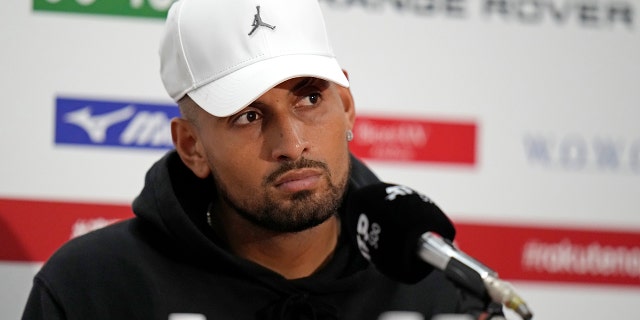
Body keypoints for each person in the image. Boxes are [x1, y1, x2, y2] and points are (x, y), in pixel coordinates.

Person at [22, 0, 500, 319]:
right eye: (248, 115)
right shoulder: (92, 289)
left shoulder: (441, 284)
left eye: (310, 99)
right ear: (192, 147)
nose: (292, 145)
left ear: (348, 106)